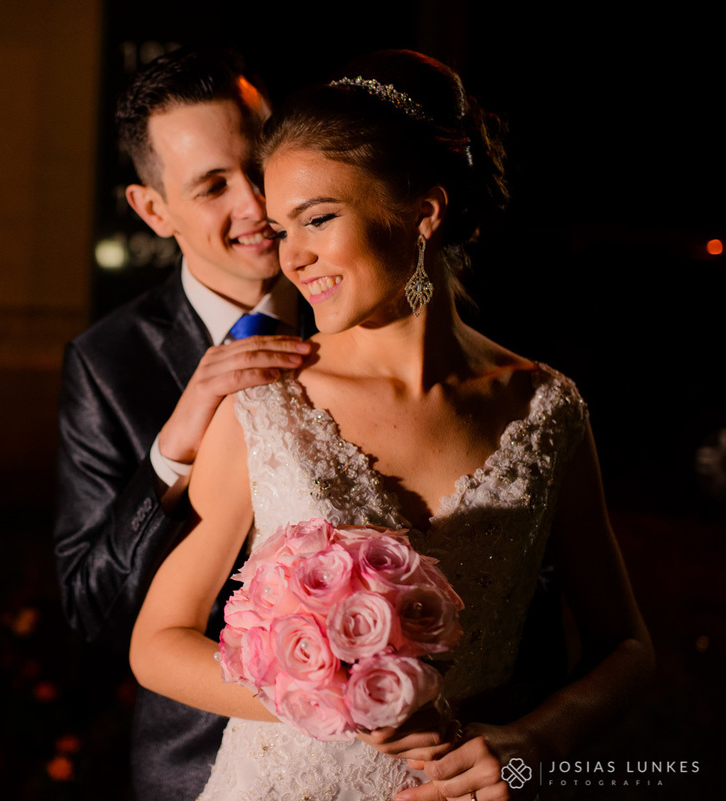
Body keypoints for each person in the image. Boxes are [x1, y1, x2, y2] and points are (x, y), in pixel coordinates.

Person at [129, 50, 653, 801]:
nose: (293, 255)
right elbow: (158, 642)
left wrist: (534, 739)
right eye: (281, 227)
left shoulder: (545, 408)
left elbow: (627, 646)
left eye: (318, 218)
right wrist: (323, 696)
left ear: (423, 211)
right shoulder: (270, 403)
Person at [54, 47, 316, 800]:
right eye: (212, 186)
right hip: (204, 766)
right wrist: (169, 454)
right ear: (152, 210)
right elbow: (91, 608)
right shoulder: (107, 364)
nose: (256, 203)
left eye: (260, 162)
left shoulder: (365, 312)